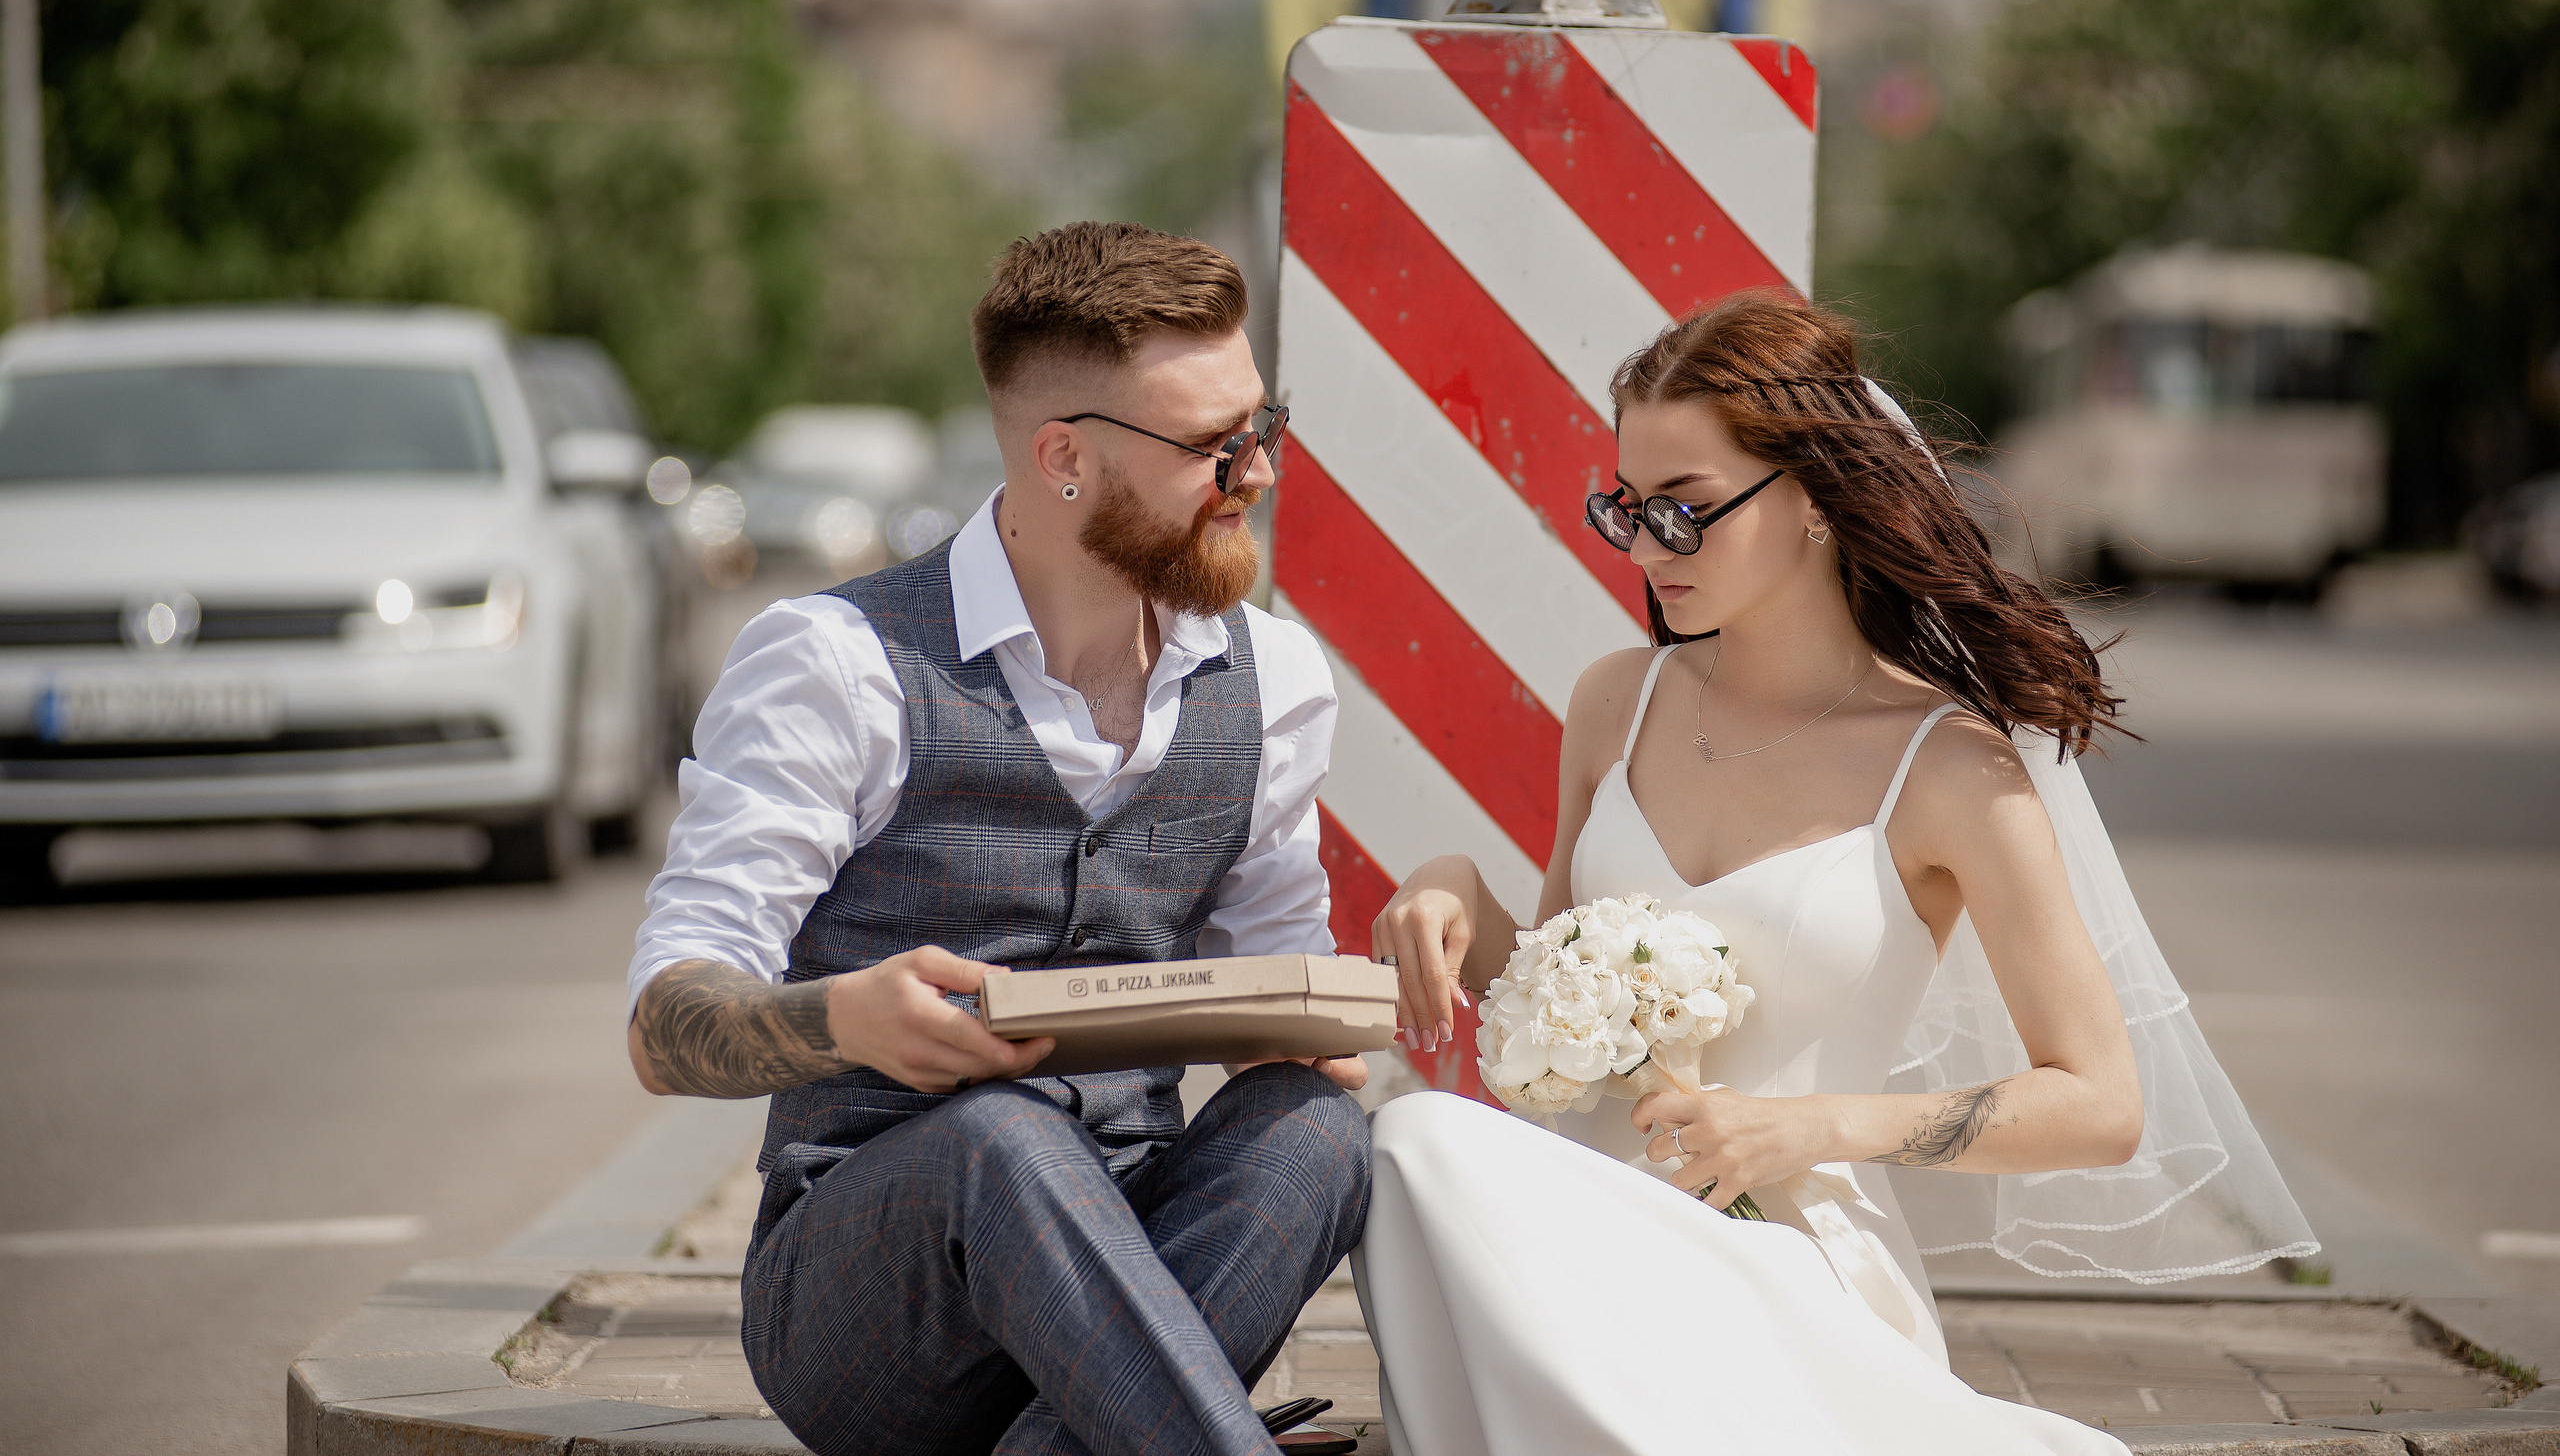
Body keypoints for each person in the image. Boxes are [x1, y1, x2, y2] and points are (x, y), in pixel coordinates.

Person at [1362, 290, 2314, 1456]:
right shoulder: (1618, 701)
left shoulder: (1952, 768)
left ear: (1812, 499)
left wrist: (1809, 1124)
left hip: (1789, 1258)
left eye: (1686, 508)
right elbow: (1550, 1002)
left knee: (1422, 1143)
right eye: (1628, 507)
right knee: (1412, 1146)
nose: (1650, 544)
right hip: (1584, 1226)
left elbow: (2101, 1102)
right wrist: (1456, 882)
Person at [624, 222, 1370, 1456]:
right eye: (1211, 446)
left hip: (1131, 1272)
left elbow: (1280, 997)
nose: (1257, 474)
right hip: (871, 1308)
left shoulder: (1274, 675)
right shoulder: (834, 661)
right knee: (1002, 1136)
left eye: (1262, 428)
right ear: (1063, 456)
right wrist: (839, 1018)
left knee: (1319, 1129)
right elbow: (664, 1027)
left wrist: (1334, 1017)